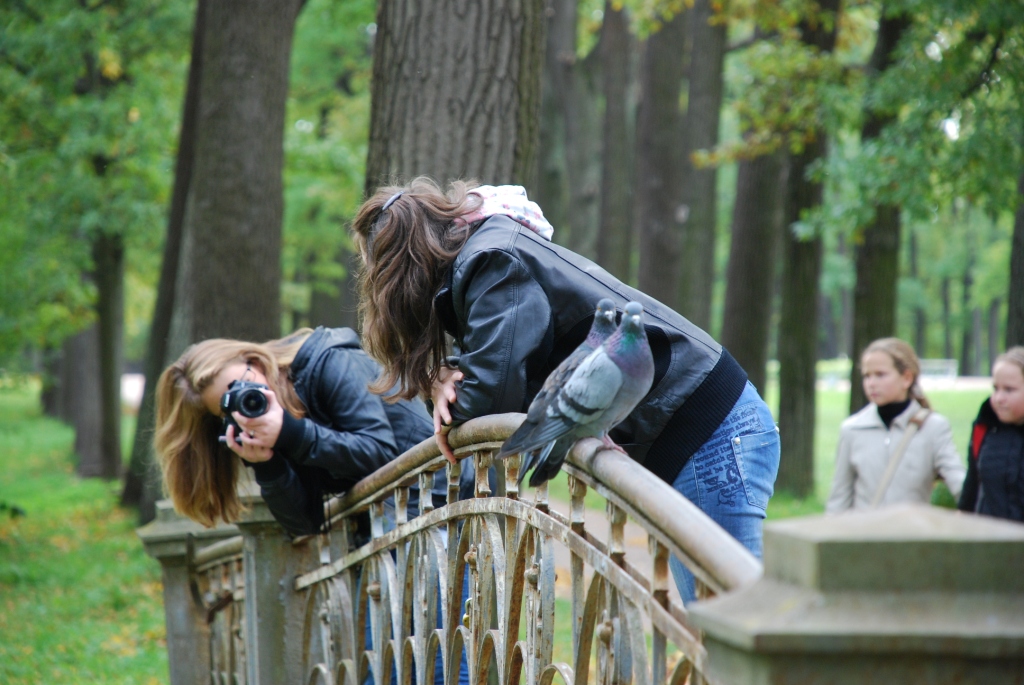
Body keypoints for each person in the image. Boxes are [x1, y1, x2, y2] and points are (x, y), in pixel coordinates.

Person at [350, 177, 781, 602]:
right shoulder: (485, 255)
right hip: (701, 433)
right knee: (723, 627)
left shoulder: (492, 264)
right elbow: (505, 362)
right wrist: (443, 376)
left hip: (712, 433)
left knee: (734, 623)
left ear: (400, 271)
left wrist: (447, 390)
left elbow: (492, 395)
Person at [154, 326, 436, 536]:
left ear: (255, 360)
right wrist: (267, 465)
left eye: (243, 384)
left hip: (440, 503)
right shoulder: (272, 424)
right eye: (231, 408)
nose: (250, 399)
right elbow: (305, 525)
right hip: (395, 529)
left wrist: (293, 434)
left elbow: (382, 454)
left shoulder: (329, 361)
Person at [825, 338, 964, 513]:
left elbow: (960, 486)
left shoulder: (934, 427)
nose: (871, 383)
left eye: (880, 374)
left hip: (912, 536)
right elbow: (839, 499)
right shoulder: (852, 429)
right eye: (867, 376)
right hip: (863, 537)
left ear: (906, 378)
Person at [958, 346, 1024, 522]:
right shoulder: (984, 427)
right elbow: (972, 486)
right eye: (995, 388)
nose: (999, 398)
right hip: (991, 541)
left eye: (1009, 390)